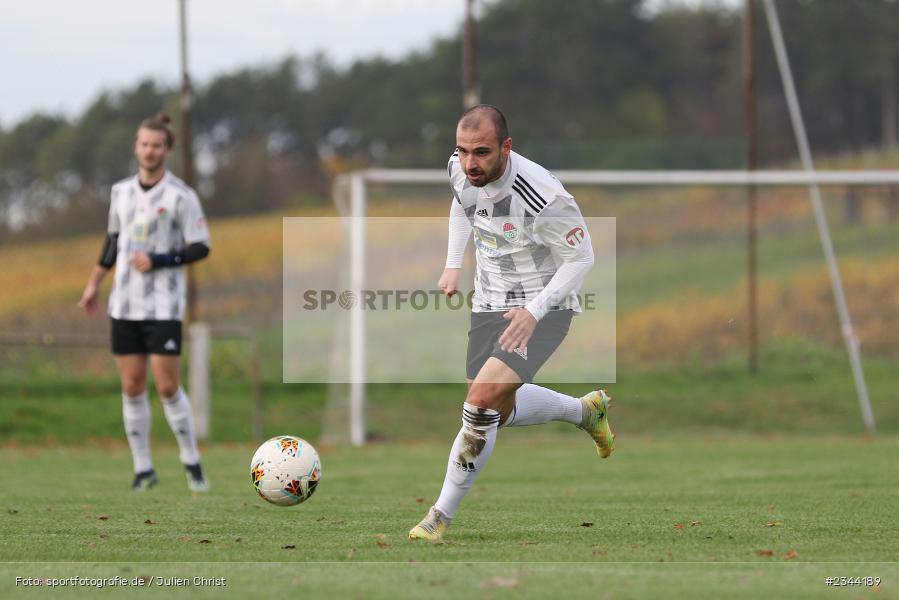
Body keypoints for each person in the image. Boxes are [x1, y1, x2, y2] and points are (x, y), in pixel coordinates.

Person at [408, 105, 614, 541]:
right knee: (493, 411)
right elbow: (462, 206)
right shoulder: (461, 171)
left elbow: (582, 257)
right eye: (462, 152)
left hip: (545, 306)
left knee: (480, 405)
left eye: (481, 152)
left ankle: (439, 516)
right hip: (488, 302)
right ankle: (584, 411)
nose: (470, 163)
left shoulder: (542, 194)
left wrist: (534, 310)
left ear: (506, 147)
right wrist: (451, 265)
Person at [78, 114, 211, 492]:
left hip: (164, 306)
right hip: (124, 305)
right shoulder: (120, 192)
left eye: (156, 145)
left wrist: (161, 260)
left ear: (166, 150)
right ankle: (143, 469)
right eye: (144, 144)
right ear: (136, 147)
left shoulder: (181, 196)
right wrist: (93, 285)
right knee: (132, 385)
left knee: (167, 386)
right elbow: (111, 242)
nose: (149, 150)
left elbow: (202, 246)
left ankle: (191, 461)